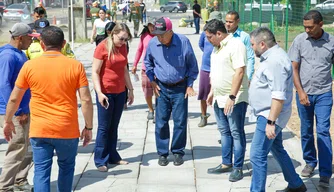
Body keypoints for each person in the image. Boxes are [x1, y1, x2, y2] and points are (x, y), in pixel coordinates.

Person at [2, 26, 94, 192]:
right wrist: (88, 127)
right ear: (64, 44)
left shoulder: (30, 66)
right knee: (66, 169)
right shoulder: (75, 66)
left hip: (40, 130)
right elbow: (86, 99)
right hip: (67, 129)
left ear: (42, 44)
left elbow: (14, 98)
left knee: (41, 171)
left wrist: (8, 121)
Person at [249, 27, 307, 192]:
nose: (251, 48)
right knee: (277, 148)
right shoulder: (272, 57)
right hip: (269, 113)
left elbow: (278, 95)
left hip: (269, 115)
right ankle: (296, 184)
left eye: (253, 44)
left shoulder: (275, 61)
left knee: (257, 155)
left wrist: (271, 122)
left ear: (262, 44)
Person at [288, 10, 334, 188]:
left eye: (310, 27)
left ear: (321, 24)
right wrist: (300, 92)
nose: (306, 30)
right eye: (304, 27)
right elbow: (294, 68)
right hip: (303, 93)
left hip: (324, 93)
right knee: (306, 130)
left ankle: (324, 174)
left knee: (323, 131)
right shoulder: (299, 40)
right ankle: (310, 162)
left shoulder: (331, 42)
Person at [144, 17, 199, 166]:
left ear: (171, 31)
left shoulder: (183, 42)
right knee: (161, 122)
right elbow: (147, 63)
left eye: (162, 34)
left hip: (180, 88)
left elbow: (192, 66)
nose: (159, 37)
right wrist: (152, 80)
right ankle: (162, 153)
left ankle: (178, 152)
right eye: (157, 34)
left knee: (180, 122)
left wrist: (190, 85)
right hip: (161, 88)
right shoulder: (153, 43)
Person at [204, 19, 248, 182]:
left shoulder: (236, 45)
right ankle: (225, 163)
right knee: (224, 131)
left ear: (219, 33)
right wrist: (211, 92)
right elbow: (217, 72)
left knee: (236, 132)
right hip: (218, 97)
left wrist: (232, 96)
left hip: (233, 99)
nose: (208, 40)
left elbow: (239, 72)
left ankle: (237, 167)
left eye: (210, 37)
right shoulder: (216, 48)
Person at [92, 22, 134, 172]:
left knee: (114, 126)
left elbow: (124, 68)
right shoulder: (102, 47)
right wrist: (99, 93)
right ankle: (100, 160)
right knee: (104, 127)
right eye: (121, 38)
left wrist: (130, 89)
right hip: (105, 92)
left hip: (119, 91)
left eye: (126, 39)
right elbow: (95, 72)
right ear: (113, 34)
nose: (123, 42)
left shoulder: (122, 47)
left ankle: (113, 156)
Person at [0, 23, 35, 192]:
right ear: (20, 38)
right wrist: (16, 111)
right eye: (30, 38)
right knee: (17, 147)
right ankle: (5, 186)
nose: (32, 41)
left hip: (24, 108)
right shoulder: (7, 56)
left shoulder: (19, 53)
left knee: (26, 147)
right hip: (14, 111)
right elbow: (4, 85)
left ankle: (20, 180)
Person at [197, 12, 222, 127]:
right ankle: (203, 115)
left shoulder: (223, 35)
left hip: (220, 69)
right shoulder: (204, 33)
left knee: (219, 94)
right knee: (203, 94)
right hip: (206, 68)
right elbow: (201, 45)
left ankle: (221, 119)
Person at [131, 18, 155, 120]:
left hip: (158, 69)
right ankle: (151, 109)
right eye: (150, 26)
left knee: (159, 91)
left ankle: (159, 110)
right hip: (146, 68)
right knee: (147, 91)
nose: (152, 28)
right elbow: (139, 50)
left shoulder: (161, 36)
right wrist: (135, 64)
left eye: (153, 25)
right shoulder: (144, 36)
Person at [225, 11, 255, 81]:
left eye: (230, 22)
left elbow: (250, 58)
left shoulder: (244, 37)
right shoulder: (222, 35)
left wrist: (248, 77)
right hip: (226, 75)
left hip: (239, 74)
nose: (228, 24)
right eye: (226, 21)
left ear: (237, 21)